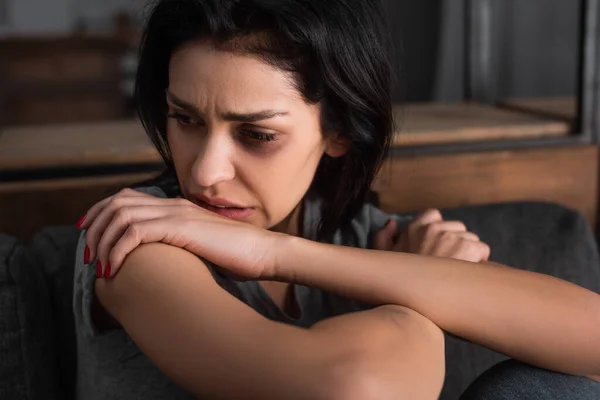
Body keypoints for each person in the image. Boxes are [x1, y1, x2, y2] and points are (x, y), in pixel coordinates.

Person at [72, 0, 600, 399]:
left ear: (339, 131)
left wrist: (275, 254)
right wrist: (425, 287)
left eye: (256, 135)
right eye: (184, 119)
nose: (206, 171)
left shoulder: (361, 238)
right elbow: (353, 386)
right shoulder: (137, 238)